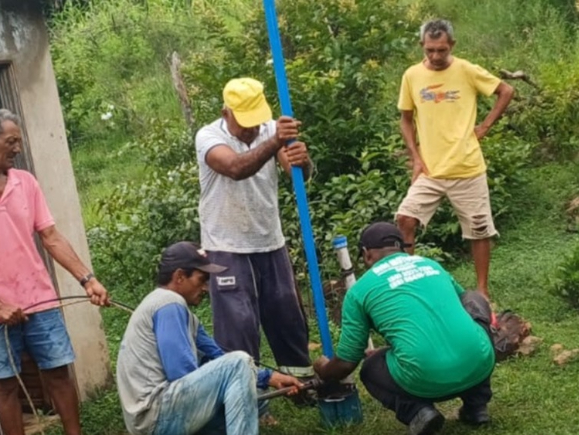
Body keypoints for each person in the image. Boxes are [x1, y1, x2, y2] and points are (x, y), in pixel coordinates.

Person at [0, 108, 109, 435]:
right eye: (11, 142)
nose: (18, 148)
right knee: (4, 385)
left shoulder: (25, 183)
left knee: (58, 373)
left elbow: (51, 237)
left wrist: (88, 279)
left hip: (39, 299)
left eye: (19, 141)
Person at [313, 222, 495, 435]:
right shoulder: (431, 265)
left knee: (371, 367)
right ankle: (476, 405)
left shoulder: (359, 291)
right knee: (473, 299)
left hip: (425, 380)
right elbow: (460, 306)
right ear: (401, 247)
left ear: (366, 254)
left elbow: (346, 362)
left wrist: (323, 369)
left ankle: (419, 412)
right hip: (478, 364)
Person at [194, 78, 314, 381]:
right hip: (226, 245)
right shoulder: (208, 137)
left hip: (270, 240)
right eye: (244, 122)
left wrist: (303, 161)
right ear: (226, 113)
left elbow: (295, 171)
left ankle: (299, 384)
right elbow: (236, 168)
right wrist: (274, 142)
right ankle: (250, 394)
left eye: (255, 121)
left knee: (288, 319)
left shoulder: (272, 129)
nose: (252, 129)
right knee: (239, 326)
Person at [116, 241, 302, 435]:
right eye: (201, 279)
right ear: (179, 276)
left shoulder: (181, 313)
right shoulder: (169, 303)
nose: (205, 288)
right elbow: (181, 373)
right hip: (156, 416)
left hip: (163, 412)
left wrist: (269, 378)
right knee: (239, 362)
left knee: (258, 397)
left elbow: (217, 356)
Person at [395, 19, 515, 300]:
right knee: (404, 218)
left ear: (452, 46)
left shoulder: (466, 70)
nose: (435, 56)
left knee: (479, 229)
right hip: (430, 169)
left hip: (467, 167)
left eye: (441, 50)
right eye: (430, 50)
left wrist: (484, 127)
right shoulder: (411, 75)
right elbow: (405, 119)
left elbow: (506, 91)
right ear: (422, 46)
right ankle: (409, 285)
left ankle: (482, 290)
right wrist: (415, 157)